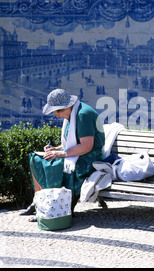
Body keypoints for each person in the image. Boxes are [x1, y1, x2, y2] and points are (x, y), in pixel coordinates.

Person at [20, 89, 105, 220]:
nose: (57, 115)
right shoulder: (72, 113)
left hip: (89, 158)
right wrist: (55, 148)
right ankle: (38, 202)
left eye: (58, 111)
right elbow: (72, 142)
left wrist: (60, 153)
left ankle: (52, 207)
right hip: (79, 154)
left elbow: (86, 146)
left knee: (53, 166)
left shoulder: (83, 115)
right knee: (36, 159)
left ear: (67, 106)